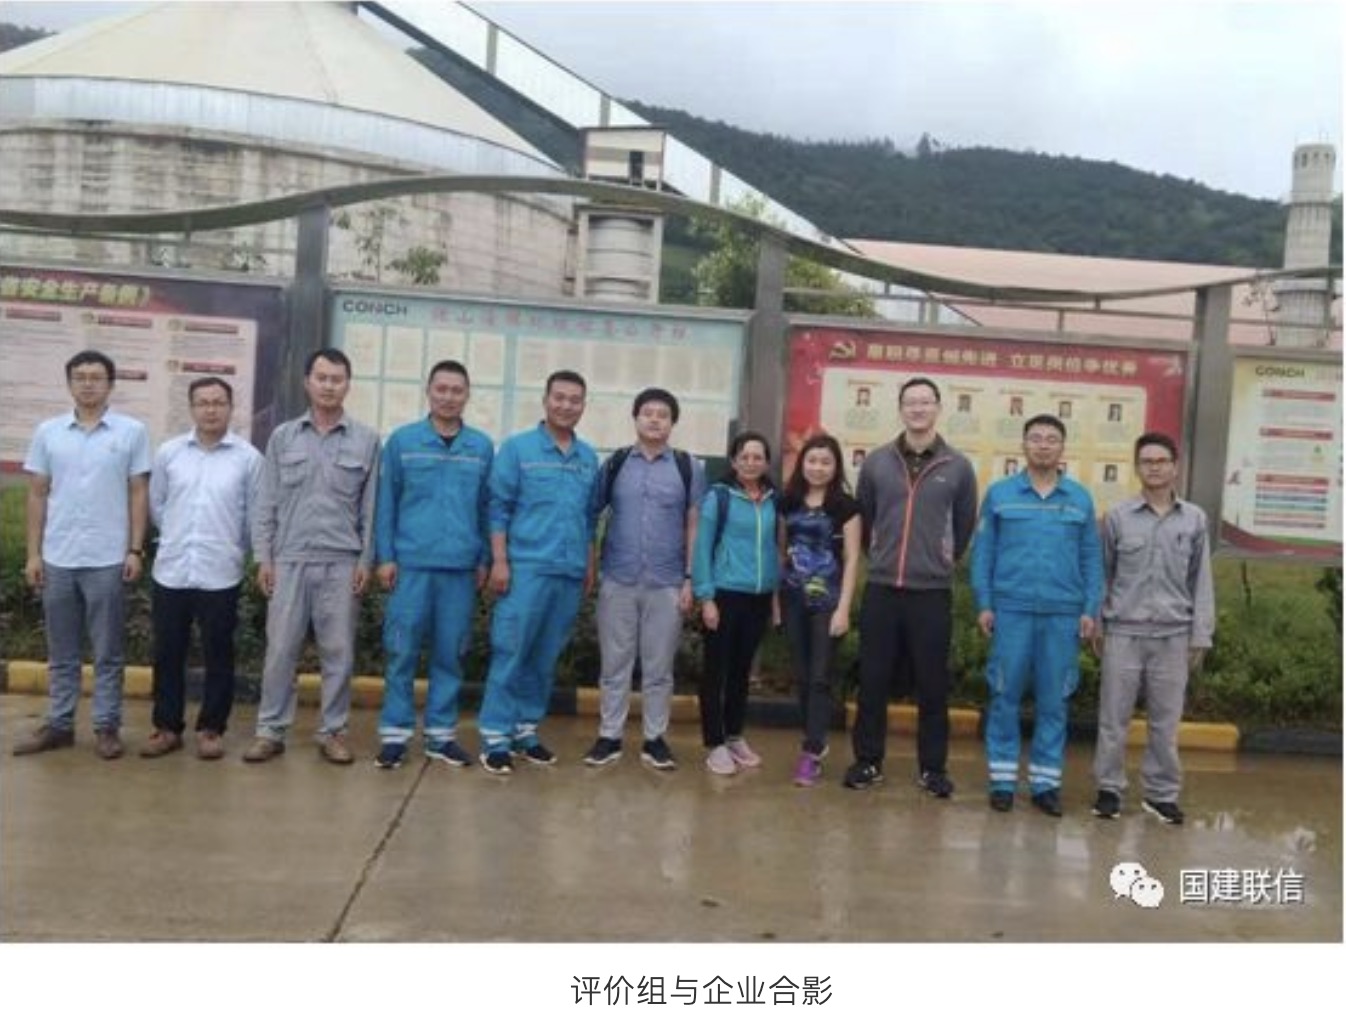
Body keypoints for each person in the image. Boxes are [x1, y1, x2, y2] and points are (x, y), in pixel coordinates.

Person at [244, 348, 379, 765]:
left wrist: (365, 561)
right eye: (321, 378)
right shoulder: (283, 437)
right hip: (290, 559)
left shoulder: (366, 440)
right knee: (280, 651)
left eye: (337, 379)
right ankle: (270, 730)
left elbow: (370, 508)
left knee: (338, 653)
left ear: (348, 385)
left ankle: (333, 732)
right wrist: (264, 557)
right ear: (307, 382)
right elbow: (266, 502)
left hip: (342, 560)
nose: (329, 386)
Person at [844, 377, 978, 795]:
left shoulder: (958, 466)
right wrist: (882, 554)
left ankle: (932, 769)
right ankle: (868, 761)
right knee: (873, 679)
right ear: (900, 409)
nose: (918, 409)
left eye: (925, 402)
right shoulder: (877, 462)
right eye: (910, 402)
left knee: (932, 684)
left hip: (931, 592)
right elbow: (866, 517)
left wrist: (940, 559)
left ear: (938, 408)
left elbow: (964, 523)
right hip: (883, 588)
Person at [13, 350, 150, 760]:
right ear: (69, 383)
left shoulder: (131, 432)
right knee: (61, 651)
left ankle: (106, 727)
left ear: (110, 384)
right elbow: (38, 494)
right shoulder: (48, 432)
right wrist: (33, 555)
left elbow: (138, 492)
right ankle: (59, 724)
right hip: (58, 556)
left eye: (96, 377)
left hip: (108, 558)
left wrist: (134, 549)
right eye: (80, 377)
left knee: (108, 651)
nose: (88, 383)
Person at [972, 413, 1102, 816]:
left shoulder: (1079, 498)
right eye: (1036, 438)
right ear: (1024, 445)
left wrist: (1090, 608)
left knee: (1055, 699)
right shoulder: (1000, 494)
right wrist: (985, 603)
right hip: (1011, 610)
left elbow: (1091, 558)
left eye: (1051, 439)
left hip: (1063, 614)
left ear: (1062, 448)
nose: (1043, 445)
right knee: (1004, 694)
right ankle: (1002, 782)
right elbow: (983, 554)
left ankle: (1046, 785)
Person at [372, 360, 494, 770]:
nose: (448, 397)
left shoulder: (480, 447)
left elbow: (486, 508)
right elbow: (386, 503)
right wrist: (386, 557)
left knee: (450, 653)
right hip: (411, 566)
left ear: (467, 395)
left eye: (457, 390)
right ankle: (395, 735)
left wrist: (484, 558)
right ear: (428, 391)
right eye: (441, 389)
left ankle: (441, 736)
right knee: (401, 650)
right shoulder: (403, 442)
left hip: (459, 569)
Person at [477, 370, 599, 774]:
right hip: (525, 568)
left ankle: (525, 731)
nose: (566, 406)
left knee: (545, 657)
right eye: (559, 398)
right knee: (511, 651)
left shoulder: (588, 458)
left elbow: (589, 518)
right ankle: (495, 737)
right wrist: (499, 561)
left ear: (583, 406)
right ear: (545, 400)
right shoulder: (518, 449)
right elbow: (498, 508)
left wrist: (589, 564)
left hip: (568, 571)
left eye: (574, 400)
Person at [1091, 433, 1215, 825]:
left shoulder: (1194, 519)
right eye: (1147, 461)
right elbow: (1103, 574)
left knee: (1165, 722)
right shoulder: (1117, 517)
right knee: (1113, 718)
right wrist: (1097, 623)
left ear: (1175, 467)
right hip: (1124, 632)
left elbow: (1201, 580)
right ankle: (1109, 789)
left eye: (1162, 461)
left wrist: (1200, 633)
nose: (1155, 467)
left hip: (1173, 635)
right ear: (1137, 467)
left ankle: (1161, 795)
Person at [583, 387, 706, 770]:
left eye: (663, 415)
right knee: (614, 664)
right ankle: (609, 736)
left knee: (659, 668)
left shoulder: (688, 467)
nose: (654, 420)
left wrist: (690, 578)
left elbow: (694, 525)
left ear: (672, 423)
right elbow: (592, 514)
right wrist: (591, 566)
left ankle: (655, 739)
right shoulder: (616, 463)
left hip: (667, 582)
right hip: (618, 578)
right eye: (648, 413)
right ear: (635, 418)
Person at [140, 377, 262, 761]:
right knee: (168, 651)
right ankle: (167, 727)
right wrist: (179, 538)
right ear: (191, 408)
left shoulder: (248, 458)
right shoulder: (170, 453)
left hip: (220, 571)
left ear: (231, 408)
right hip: (172, 569)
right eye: (203, 402)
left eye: (218, 402)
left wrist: (234, 548)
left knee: (219, 653)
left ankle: (212, 728)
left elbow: (254, 516)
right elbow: (158, 506)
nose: (211, 409)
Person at [690, 430, 780, 776]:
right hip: (725, 594)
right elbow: (702, 548)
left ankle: (734, 735)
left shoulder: (773, 499)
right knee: (716, 671)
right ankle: (714, 743)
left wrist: (774, 598)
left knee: (742, 672)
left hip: (758, 597)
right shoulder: (719, 497)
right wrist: (706, 597)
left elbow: (775, 548)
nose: (751, 463)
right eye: (745, 457)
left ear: (766, 463)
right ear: (734, 461)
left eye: (758, 457)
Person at [777, 433, 860, 787]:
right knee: (802, 675)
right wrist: (776, 604)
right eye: (812, 460)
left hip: (828, 601)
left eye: (826, 462)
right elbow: (781, 552)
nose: (818, 468)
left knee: (820, 677)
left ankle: (811, 752)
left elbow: (852, 559)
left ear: (836, 467)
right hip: (793, 598)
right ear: (803, 464)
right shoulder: (788, 502)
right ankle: (814, 738)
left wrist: (844, 609)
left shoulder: (846, 507)